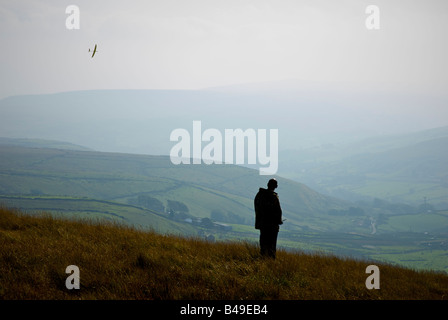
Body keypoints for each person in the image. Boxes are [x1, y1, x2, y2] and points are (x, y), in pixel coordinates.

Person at [254, 178, 283, 259]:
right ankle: (271, 260)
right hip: (272, 225)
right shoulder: (273, 197)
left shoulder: (260, 195)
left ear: (267, 184)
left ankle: (263, 257)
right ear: (276, 186)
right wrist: (278, 220)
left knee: (263, 242)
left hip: (263, 224)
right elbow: (277, 211)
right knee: (272, 244)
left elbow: (257, 208)